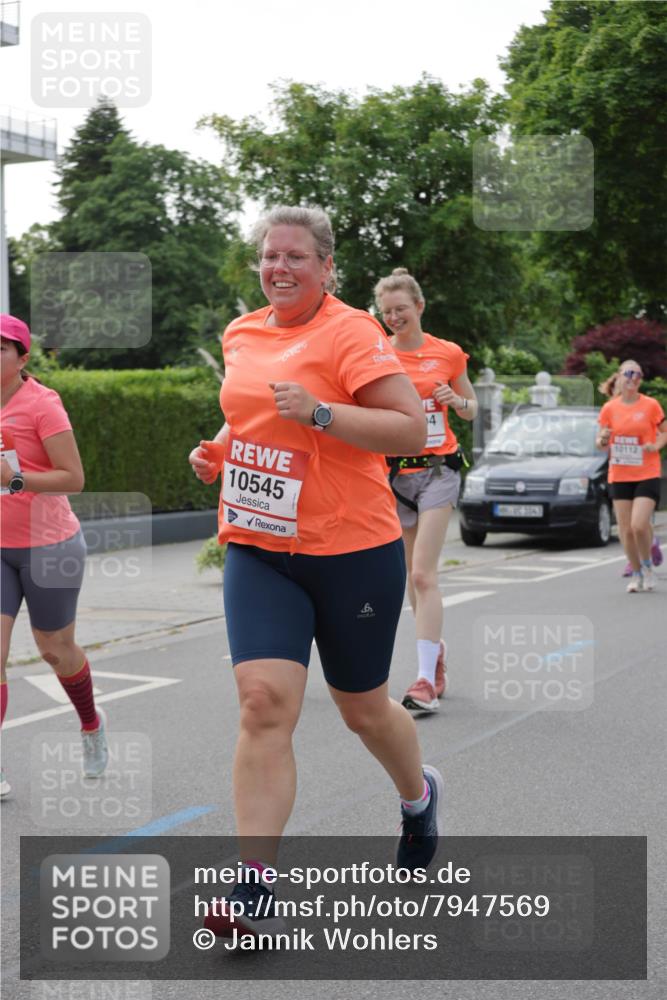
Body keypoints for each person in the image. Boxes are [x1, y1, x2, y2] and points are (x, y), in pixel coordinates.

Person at [188, 206, 443, 939]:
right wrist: (218, 448)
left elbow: (406, 428)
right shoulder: (242, 332)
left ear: (327, 268)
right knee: (262, 702)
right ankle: (254, 885)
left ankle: (417, 797)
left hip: (350, 550)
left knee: (362, 709)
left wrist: (323, 414)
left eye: (296, 257)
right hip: (259, 545)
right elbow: (251, 415)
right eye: (270, 256)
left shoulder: (350, 333)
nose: (280, 269)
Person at [0, 314, 108, 798]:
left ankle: (90, 723)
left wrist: (15, 481)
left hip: (49, 545)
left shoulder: (42, 406)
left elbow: (73, 478)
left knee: (55, 650)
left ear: (22, 358)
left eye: (1, 348)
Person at [374, 268, 477, 713]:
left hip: (438, 472)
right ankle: (434, 657)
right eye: (387, 312)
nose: (395, 318)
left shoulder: (448, 353)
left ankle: (422, 682)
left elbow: (471, 410)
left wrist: (456, 402)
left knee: (422, 574)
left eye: (401, 309)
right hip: (396, 478)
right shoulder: (377, 354)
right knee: (410, 581)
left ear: (419, 306)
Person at [596, 360, 667, 592]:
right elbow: (600, 443)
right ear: (619, 377)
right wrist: (604, 438)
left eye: (638, 375)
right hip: (620, 474)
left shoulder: (651, 405)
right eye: (629, 373)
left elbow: (665, 432)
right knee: (625, 529)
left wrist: (655, 445)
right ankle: (636, 574)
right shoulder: (610, 408)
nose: (633, 378)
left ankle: (647, 567)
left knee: (638, 524)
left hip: (647, 472)